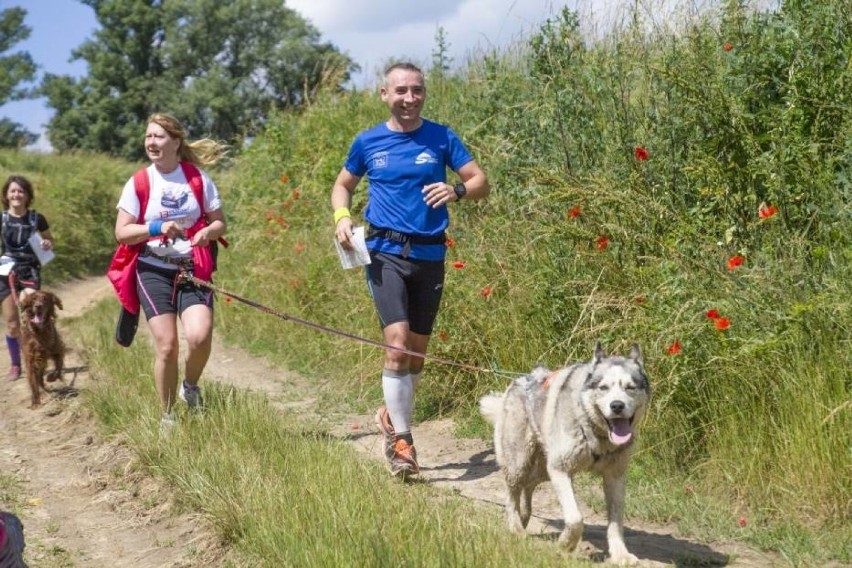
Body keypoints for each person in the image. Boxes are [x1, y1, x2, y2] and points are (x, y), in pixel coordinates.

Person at [331, 62, 489, 477]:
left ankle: (390, 414)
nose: (409, 98)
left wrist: (456, 190)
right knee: (398, 344)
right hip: (384, 251)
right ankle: (403, 443)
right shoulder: (368, 142)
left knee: (416, 353)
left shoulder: (441, 137)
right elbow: (342, 184)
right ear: (384, 94)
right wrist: (342, 217)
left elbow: (479, 181)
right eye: (400, 90)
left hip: (430, 254)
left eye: (416, 90)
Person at [114, 113, 227, 428]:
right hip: (152, 269)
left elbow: (220, 221)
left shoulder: (197, 179)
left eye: (159, 136)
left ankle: (190, 387)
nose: (151, 142)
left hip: (193, 269)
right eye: (148, 136)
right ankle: (167, 417)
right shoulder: (139, 182)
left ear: (176, 142)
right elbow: (122, 233)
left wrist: (209, 233)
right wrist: (156, 226)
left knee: (200, 336)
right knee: (167, 346)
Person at [0, 175, 55, 382]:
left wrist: (48, 243)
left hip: (30, 271)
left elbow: (49, 239)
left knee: (34, 317)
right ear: (6, 195)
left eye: (21, 191)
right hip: (6, 272)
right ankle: (15, 365)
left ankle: (40, 355)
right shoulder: (2, 218)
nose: (16, 194)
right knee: (12, 324)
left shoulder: (36, 218)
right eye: (12, 191)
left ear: (27, 195)